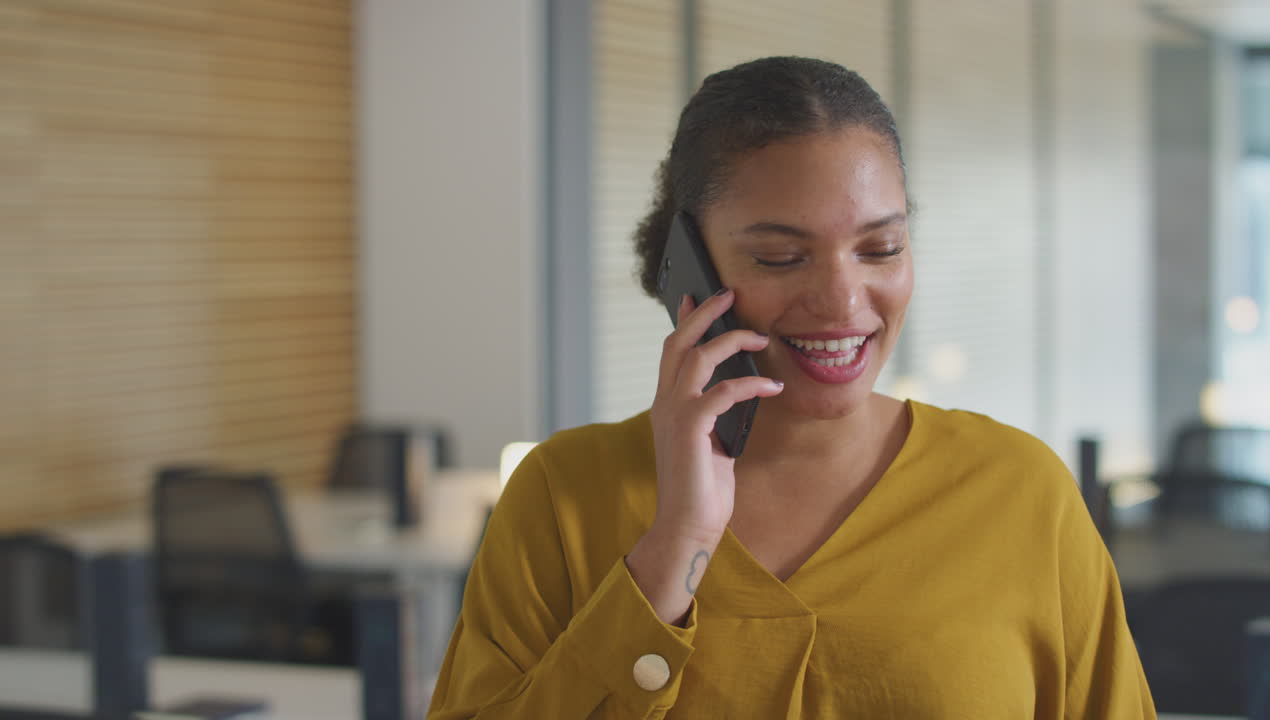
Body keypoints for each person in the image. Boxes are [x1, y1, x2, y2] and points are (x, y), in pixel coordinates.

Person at [427, 56, 1155, 719]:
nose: (843, 301)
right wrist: (673, 548)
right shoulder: (563, 497)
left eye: (882, 248)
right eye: (779, 257)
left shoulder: (1021, 493)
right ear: (686, 265)